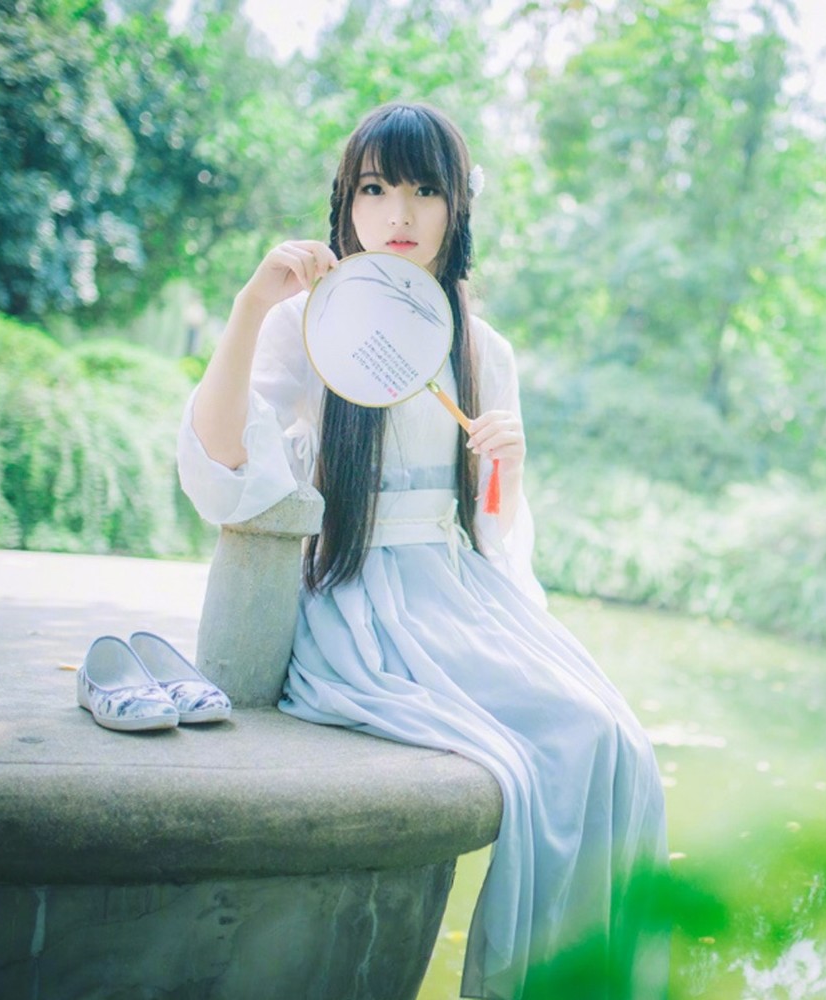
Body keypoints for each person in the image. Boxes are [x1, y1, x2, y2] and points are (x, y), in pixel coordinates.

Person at [177, 101, 669, 1000]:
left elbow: (492, 528)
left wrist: (505, 468)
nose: (398, 214)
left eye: (423, 191)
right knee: (552, 745)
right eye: (374, 190)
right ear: (346, 202)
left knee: (614, 740)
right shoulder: (309, 324)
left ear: (457, 206)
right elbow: (221, 467)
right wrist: (251, 307)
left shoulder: (482, 347)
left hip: (458, 588)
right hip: (360, 596)